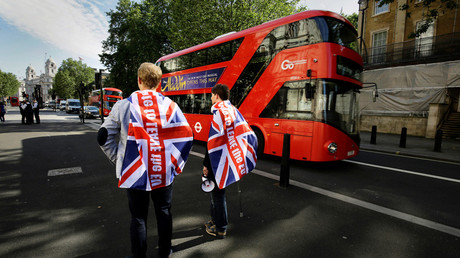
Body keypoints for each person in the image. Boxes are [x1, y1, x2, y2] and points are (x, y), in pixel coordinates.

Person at [98, 62, 193, 258]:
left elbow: (103, 135)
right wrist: (174, 164)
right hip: (163, 171)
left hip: (135, 171)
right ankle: (165, 252)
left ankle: (139, 256)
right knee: (164, 212)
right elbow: (186, 136)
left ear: (139, 80)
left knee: (138, 217)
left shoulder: (124, 105)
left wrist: (121, 160)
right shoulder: (171, 105)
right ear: (159, 83)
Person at [202, 84, 258, 239]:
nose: (211, 98)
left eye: (212, 95)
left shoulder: (219, 111)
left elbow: (212, 142)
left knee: (217, 194)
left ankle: (220, 228)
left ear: (217, 96)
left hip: (218, 160)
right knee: (217, 192)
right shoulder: (233, 110)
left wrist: (206, 164)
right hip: (227, 158)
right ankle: (215, 221)